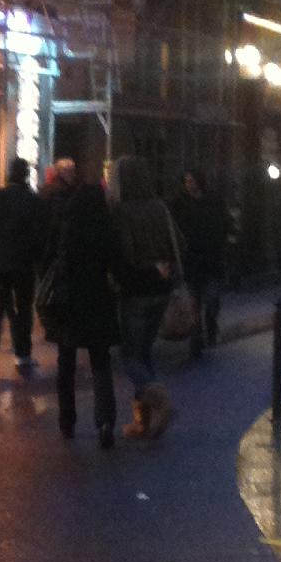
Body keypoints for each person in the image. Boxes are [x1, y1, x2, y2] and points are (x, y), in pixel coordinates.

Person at [42, 178, 119, 447]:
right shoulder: (106, 227)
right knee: (100, 361)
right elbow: (116, 262)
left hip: (68, 301)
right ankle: (105, 421)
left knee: (66, 361)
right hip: (98, 298)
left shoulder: (65, 226)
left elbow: (48, 259)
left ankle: (67, 420)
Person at [109, 154, 180, 439]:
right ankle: (144, 422)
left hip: (135, 289)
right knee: (145, 352)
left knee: (130, 356)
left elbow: (123, 254)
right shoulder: (160, 207)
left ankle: (158, 397)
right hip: (162, 289)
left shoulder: (121, 211)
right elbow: (180, 243)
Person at [0, 156, 44, 379]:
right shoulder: (32, 201)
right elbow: (40, 235)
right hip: (22, 264)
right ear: (25, 175)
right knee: (22, 309)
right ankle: (22, 354)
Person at [169, 168, 226, 358]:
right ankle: (197, 338)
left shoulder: (213, 201)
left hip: (211, 258)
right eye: (186, 181)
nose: (189, 185)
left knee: (212, 299)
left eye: (191, 181)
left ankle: (211, 326)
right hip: (190, 260)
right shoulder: (179, 203)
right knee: (193, 301)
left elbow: (223, 223)